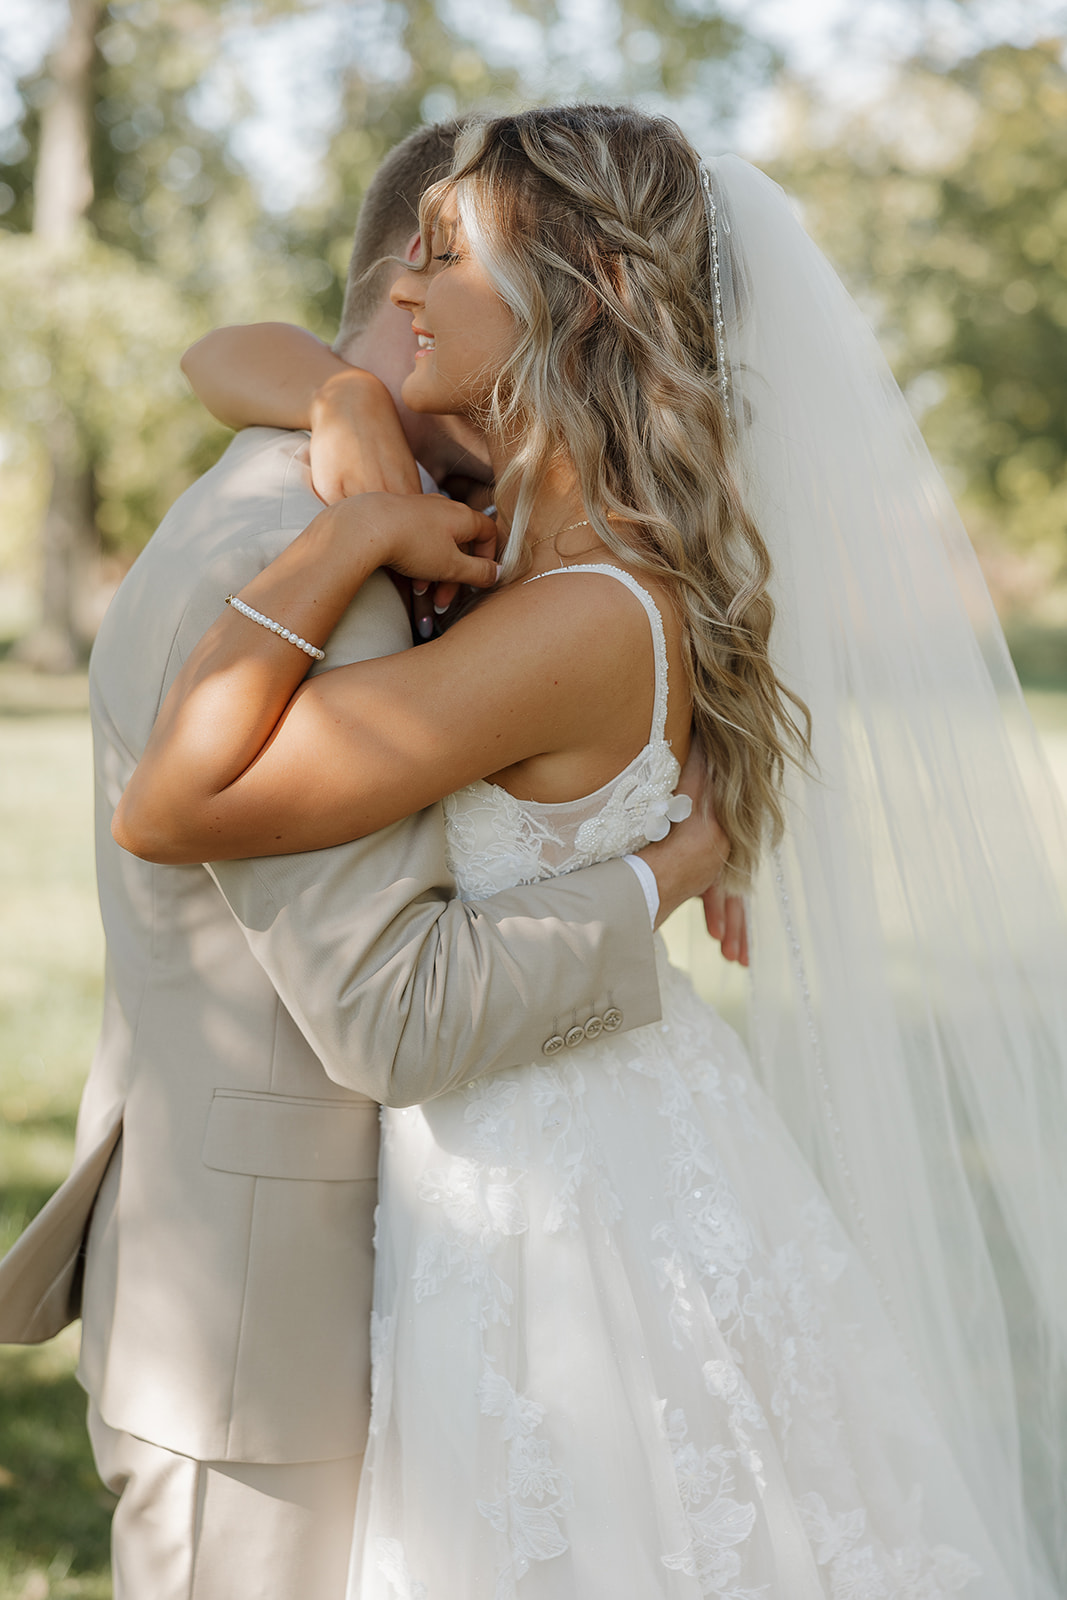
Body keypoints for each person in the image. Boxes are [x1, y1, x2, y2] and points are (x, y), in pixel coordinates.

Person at [114, 104, 1067, 1598]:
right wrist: (352, 420)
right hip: (564, 1154)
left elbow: (170, 805)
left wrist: (347, 537)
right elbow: (234, 351)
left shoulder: (571, 618)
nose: (398, 301)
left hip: (565, 1202)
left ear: (586, 297)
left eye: (446, 259)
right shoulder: (540, 539)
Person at [0, 120, 738, 1600]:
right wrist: (661, 869)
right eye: (419, 258)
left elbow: (234, 356)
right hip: (257, 1311)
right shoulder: (325, 545)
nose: (415, 290)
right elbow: (378, 1003)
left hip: (410, 1274)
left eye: (447, 260)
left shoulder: (440, 532)